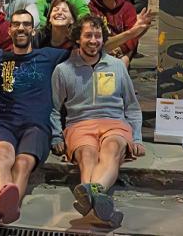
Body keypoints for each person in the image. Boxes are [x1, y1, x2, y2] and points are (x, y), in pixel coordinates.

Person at [0, 10, 70, 232]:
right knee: (3, 156)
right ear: (9, 30)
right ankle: (7, 209)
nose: (20, 28)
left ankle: (0, 209)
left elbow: (90, 47)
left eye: (25, 24)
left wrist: (132, 33)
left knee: (23, 163)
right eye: (16, 24)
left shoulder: (48, 56)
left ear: (33, 30)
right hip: (5, 124)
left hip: (36, 126)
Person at [51, 15, 145, 226]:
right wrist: (57, 134)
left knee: (111, 148)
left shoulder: (117, 66)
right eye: (88, 36)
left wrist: (137, 137)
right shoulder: (63, 70)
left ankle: (91, 194)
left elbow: (132, 106)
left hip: (114, 123)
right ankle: (100, 207)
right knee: (87, 155)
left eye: (98, 36)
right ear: (78, 38)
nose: (93, 40)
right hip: (79, 125)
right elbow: (54, 109)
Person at [89, 0, 139, 66]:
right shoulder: (92, 7)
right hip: (101, 47)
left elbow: (133, 34)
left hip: (124, 47)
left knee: (122, 63)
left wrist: (120, 50)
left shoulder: (127, 7)